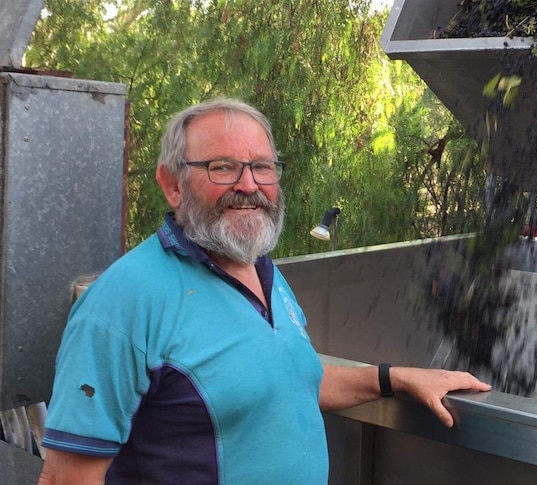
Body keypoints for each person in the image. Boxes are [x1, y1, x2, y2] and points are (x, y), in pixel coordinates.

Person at [38, 98, 491, 484]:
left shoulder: (261, 269)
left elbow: (284, 381)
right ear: (172, 184)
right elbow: (66, 477)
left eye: (262, 167)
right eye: (222, 168)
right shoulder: (123, 304)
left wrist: (397, 378)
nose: (249, 185)